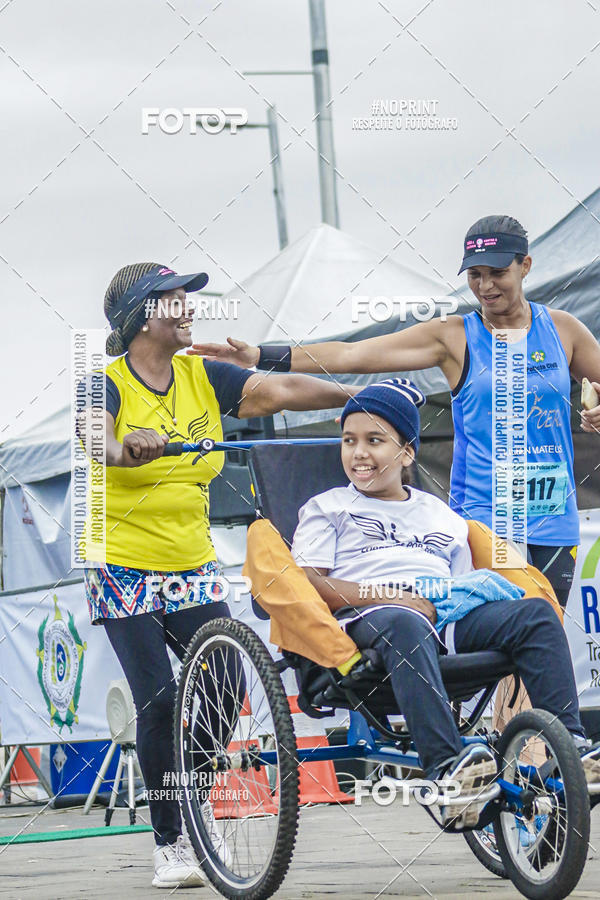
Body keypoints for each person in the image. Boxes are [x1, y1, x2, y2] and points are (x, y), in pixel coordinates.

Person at [77, 261, 360, 890]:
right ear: (141, 317)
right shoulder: (105, 384)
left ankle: (194, 800)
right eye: (174, 301)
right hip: (121, 561)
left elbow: (280, 392)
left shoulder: (203, 374)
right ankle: (169, 841)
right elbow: (97, 441)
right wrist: (128, 448)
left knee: (229, 681)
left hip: (190, 560)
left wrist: (360, 398)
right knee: (157, 699)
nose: (189, 310)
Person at [188, 215, 600, 609]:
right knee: (513, 637)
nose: (485, 285)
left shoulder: (562, 329)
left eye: (497, 273)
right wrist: (262, 355)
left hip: (552, 514)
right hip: (488, 516)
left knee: (547, 631)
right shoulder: (454, 336)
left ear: (525, 266)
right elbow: (354, 354)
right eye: (475, 275)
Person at [290, 379, 600, 827]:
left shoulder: (440, 513)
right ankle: (446, 772)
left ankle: (571, 747)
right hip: (368, 623)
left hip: (441, 616)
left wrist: (459, 598)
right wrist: (391, 595)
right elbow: (308, 582)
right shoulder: (329, 506)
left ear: (407, 452)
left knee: (533, 614)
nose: (359, 453)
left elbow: (458, 585)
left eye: (374, 441)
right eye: (349, 441)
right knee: (404, 620)